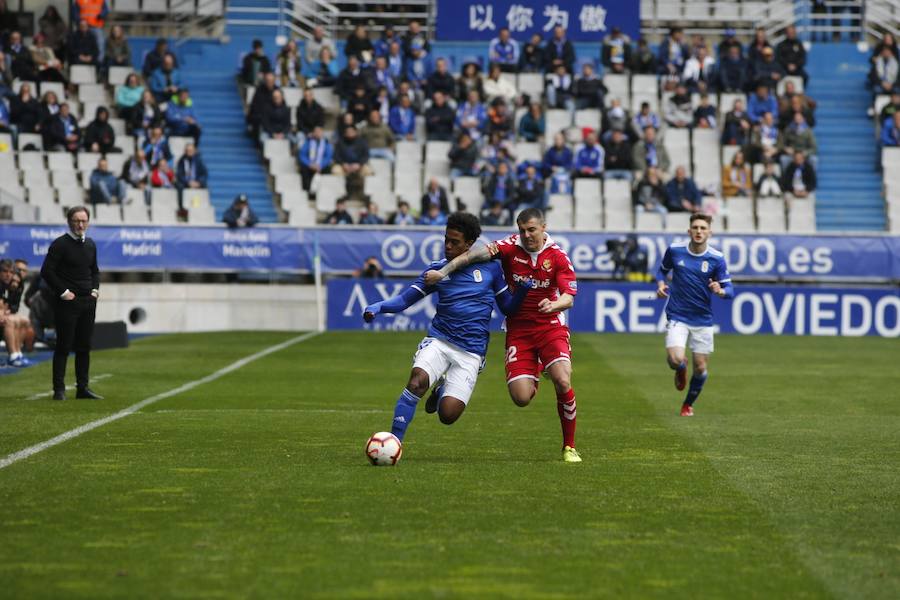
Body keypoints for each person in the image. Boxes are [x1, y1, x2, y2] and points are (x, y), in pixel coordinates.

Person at [423, 208, 582, 463]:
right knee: (521, 398)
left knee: (562, 380)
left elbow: (569, 297)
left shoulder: (558, 256)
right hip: (519, 330)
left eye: (532, 230)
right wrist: (444, 272)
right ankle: (536, 366)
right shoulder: (508, 247)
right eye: (522, 230)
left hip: (550, 326)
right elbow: (471, 256)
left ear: (543, 228)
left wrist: (554, 305)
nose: (526, 235)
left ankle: (569, 447)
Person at [363, 212, 532, 445]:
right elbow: (403, 300)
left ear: (469, 244)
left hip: (471, 351)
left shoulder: (491, 269)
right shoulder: (437, 270)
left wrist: (522, 291)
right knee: (416, 381)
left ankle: (441, 390)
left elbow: (508, 308)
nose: (448, 246)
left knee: (448, 415)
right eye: (446, 240)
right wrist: (379, 307)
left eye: (455, 242)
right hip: (440, 340)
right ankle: (394, 442)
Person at [655, 213, 734, 417]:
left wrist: (720, 290)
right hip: (677, 315)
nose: (699, 231)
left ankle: (687, 404)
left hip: (702, 319)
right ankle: (681, 367)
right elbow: (661, 271)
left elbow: (730, 291)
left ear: (709, 233)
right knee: (674, 360)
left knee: (700, 368)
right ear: (689, 231)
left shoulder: (716, 258)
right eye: (696, 228)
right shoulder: (675, 250)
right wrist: (661, 284)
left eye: (703, 228)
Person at [40, 206, 103, 401]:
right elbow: (46, 271)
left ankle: (82, 388)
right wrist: (64, 292)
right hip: (67, 303)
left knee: (84, 346)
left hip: (88, 302)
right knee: (63, 346)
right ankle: (59, 390)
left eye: (84, 221)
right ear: (69, 222)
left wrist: (95, 290)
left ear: (88, 222)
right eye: (77, 221)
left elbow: (94, 270)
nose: (80, 225)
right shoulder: (60, 244)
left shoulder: (90, 244)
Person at [298, 126, 333, 191]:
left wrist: (320, 165)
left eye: (319, 132)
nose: (317, 133)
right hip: (310, 165)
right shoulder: (308, 142)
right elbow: (302, 155)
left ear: (322, 133)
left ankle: (325, 190)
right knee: (304, 169)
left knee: (328, 169)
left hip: (321, 166)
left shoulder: (326, 143)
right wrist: (309, 164)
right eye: (316, 132)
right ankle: (307, 190)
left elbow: (328, 157)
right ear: (313, 133)